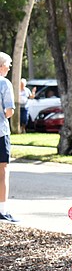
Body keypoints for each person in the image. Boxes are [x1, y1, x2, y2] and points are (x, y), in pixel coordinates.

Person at [0, 52, 17, 222]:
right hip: (1, 132)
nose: (9, 67)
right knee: (3, 171)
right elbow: (9, 111)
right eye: (8, 64)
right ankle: (2, 210)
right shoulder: (4, 83)